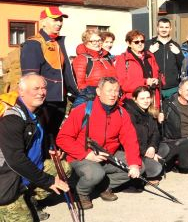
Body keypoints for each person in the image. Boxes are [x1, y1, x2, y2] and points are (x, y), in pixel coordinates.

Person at [56, 77, 142, 210]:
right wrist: (86, 154)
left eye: (116, 90)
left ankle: (103, 186)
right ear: (98, 91)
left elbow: (130, 139)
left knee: (138, 168)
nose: (113, 94)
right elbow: (62, 138)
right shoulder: (83, 110)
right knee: (95, 174)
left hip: (107, 155)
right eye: (109, 90)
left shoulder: (121, 112)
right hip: (81, 155)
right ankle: (82, 192)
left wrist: (134, 164)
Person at [0, 74, 70, 221]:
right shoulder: (11, 119)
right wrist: (49, 181)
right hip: (7, 180)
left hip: (27, 171)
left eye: (44, 88)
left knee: (64, 168)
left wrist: (48, 151)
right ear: (21, 91)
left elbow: (36, 138)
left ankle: (29, 198)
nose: (41, 92)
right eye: (36, 88)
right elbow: (15, 160)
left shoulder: (38, 110)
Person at [20, 6, 78, 138]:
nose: (59, 23)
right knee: (40, 136)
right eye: (55, 20)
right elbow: (30, 77)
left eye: (60, 20)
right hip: (44, 100)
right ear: (43, 21)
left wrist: (76, 94)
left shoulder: (59, 42)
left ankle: (51, 158)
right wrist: (36, 98)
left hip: (60, 100)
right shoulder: (34, 44)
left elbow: (66, 73)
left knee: (53, 135)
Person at [124, 86, 163, 183]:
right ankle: (142, 176)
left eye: (148, 98)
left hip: (147, 147)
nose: (146, 101)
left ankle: (152, 162)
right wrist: (146, 152)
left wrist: (152, 147)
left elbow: (155, 133)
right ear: (135, 99)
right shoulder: (130, 114)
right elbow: (133, 139)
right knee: (156, 168)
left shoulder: (149, 111)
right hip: (136, 152)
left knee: (166, 148)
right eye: (142, 98)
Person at [115, 30, 161, 107]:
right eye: (136, 42)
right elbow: (122, 83)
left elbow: (158, 74)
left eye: (142, 41)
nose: (140, 44)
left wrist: (157, 80)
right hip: (134, 101)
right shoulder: (123, 59)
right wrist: (145, 82)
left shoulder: (150, 56)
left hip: (152, 99)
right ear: (129, 43)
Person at [72, 29, 117, 108]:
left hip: (110, 98)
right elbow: (80, 85)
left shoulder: (107, 57)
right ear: (86, 42)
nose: (97, 43)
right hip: (91, 100)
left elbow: (115, 77)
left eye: (99, 40)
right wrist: (97, 95)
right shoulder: (82, 59)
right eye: (93, 41)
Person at [147, 18, 184, 101]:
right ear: (157, 28)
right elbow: (142, 63)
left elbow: (182, 66)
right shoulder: (149, 44)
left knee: (171, 113)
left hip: (172, 88)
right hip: (154, 87)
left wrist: (178, 54)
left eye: (166, 27)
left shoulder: (175, 45)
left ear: (170, 29)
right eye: (161, 27)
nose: (164, 30)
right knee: (155, 113)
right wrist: (149, 52)